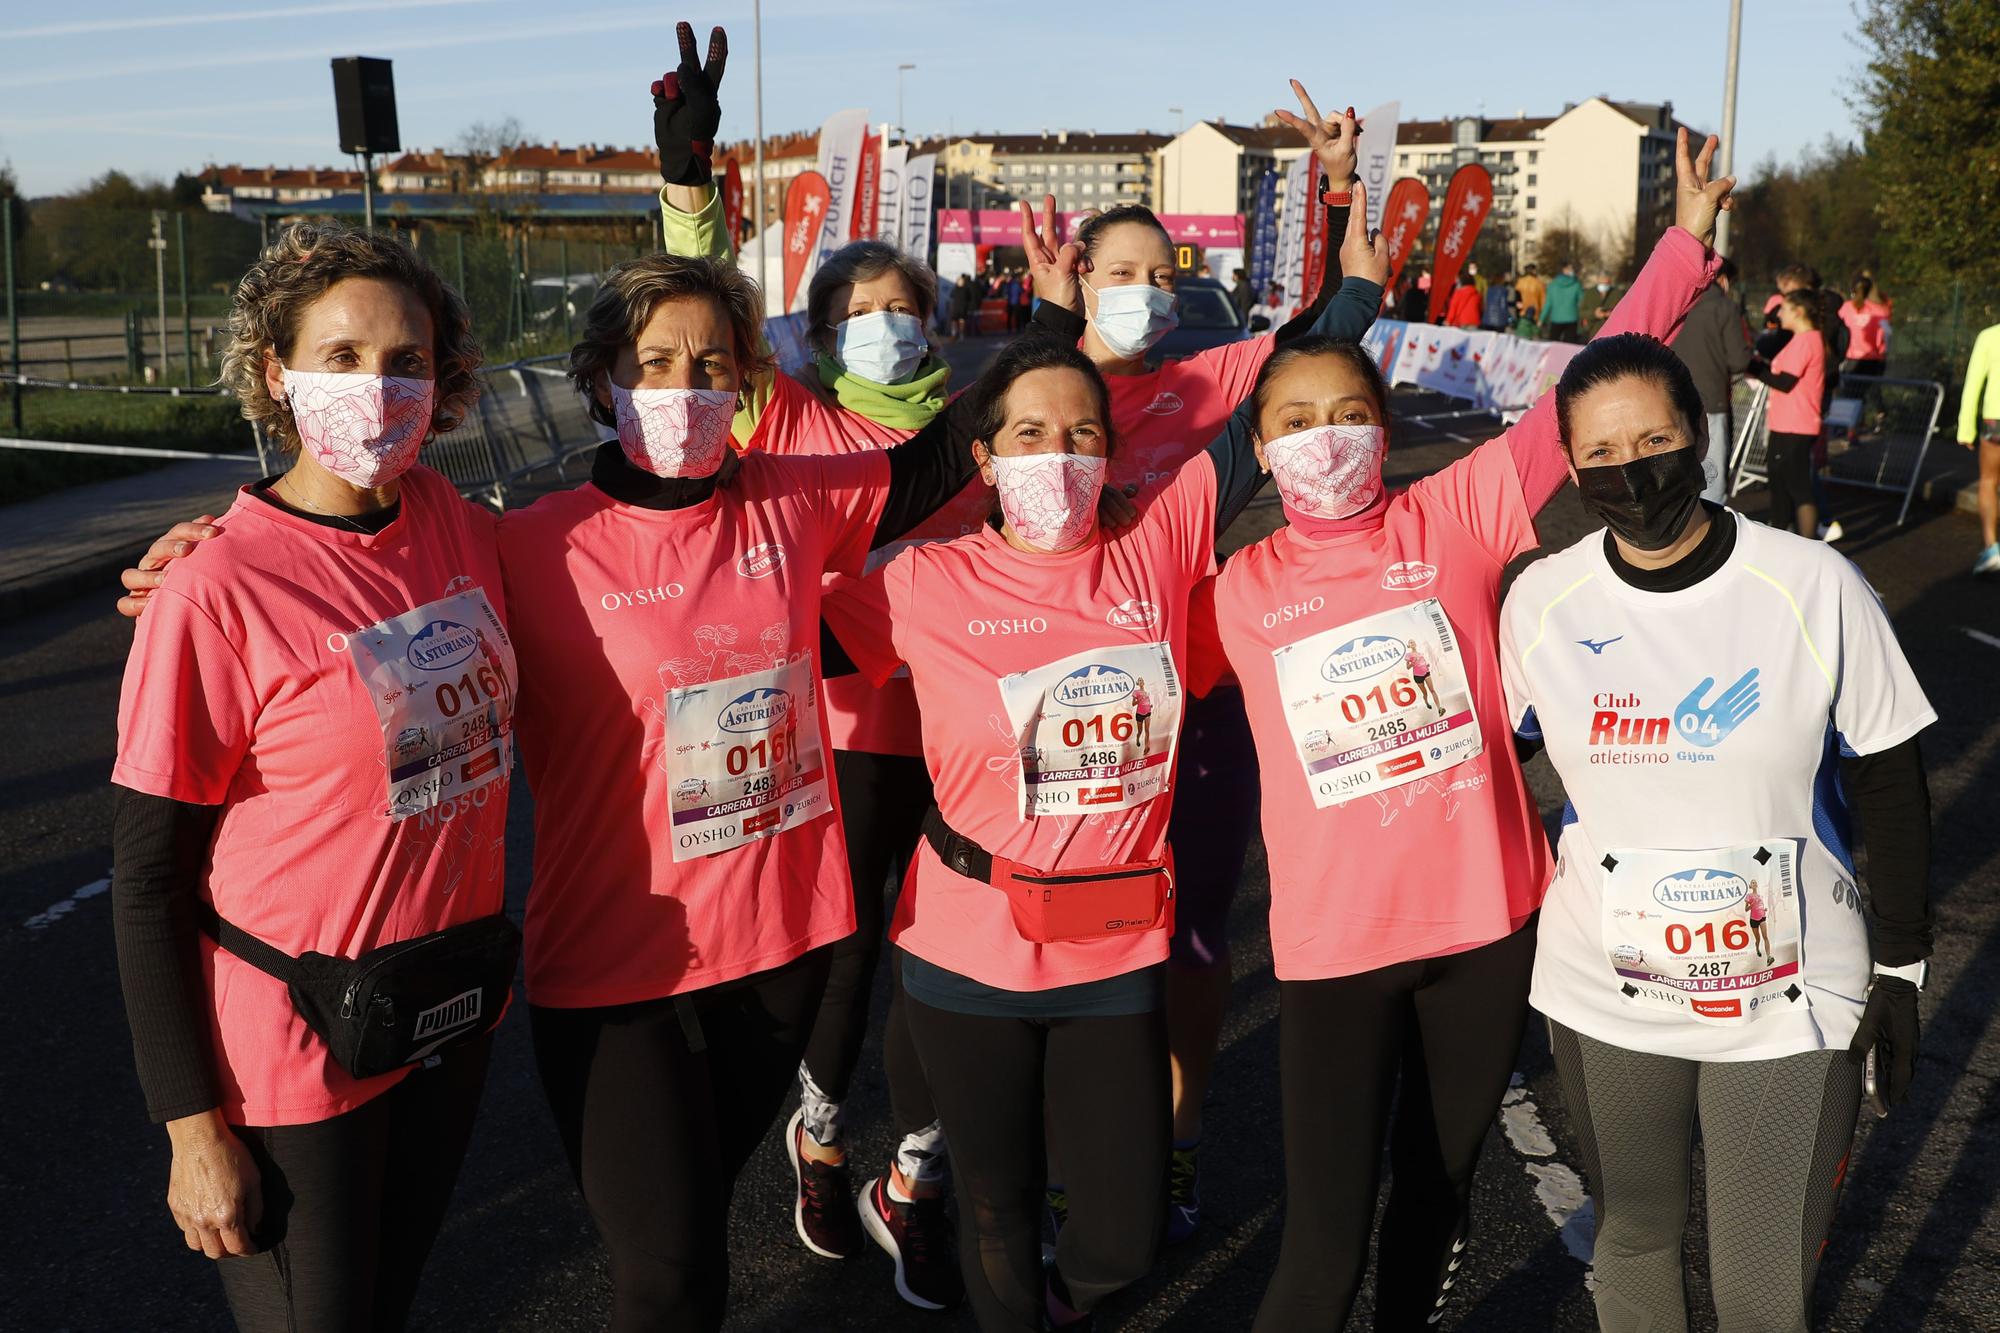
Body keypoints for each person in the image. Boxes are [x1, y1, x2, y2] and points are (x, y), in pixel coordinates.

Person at [1190, 127, 1732, 1331]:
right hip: (1334, 950)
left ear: (1380, 428)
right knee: (1320, 1240)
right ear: (1260, 450)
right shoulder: (1233, 584)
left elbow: (1584, 379)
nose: (1321, 434)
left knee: (1436, 1193)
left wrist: (1684, 242)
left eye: (1345, 411)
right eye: (1291, 419)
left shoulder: (1461, 507)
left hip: (1486, 926)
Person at [820, 189, 1386, 1327]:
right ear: (979, 458)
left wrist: (1346, 241)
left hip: (1110, 945)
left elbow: (1304, 367)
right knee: (994, 1207)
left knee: (1118, 1230)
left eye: (1081, 433)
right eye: (1027, 434)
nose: (1057, 454)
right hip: (965, 944)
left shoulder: (1160, 534)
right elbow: (750, 632)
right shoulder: (921, 584)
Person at [647, 46, 1131, 1301]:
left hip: (982, 734)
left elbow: (1047, 415)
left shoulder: (972, 422)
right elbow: (703, 316)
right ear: (819, 334)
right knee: (850, 953)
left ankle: (911, 1169)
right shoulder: (793, 418)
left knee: (945, 966)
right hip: (850, 730)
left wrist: (1061, 307)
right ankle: (818, 1131)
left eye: (901, 303)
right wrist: (688, 181)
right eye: (859, 308)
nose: (885, 321)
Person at [110, 223, 512, 1331]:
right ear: (275, 372)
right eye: (340, 357)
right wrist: (191, 1129)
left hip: (440, 1008)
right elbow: (146, 884)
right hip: (293, 1053)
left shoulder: (454, 525)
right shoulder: (212, 591)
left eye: (405, 361)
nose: (375, 389)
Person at [1499, 326, 1935, 1333]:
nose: (1628, 472)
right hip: (1604, 989)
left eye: (1649, 442)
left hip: (1785, 993)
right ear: (1568, 468)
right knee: (1635, 1238)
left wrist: (1902, 968)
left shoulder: (1811, 585)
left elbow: (1888, 779)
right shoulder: (1540, 601)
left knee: (1757, 1291)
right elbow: (1483, 760)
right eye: (1599, 455)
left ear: (1695, 437)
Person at [1013, 83, 1386, 1246]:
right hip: (1067, 708)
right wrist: (1037, 317)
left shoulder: (1216, 376)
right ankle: (1069, 1159)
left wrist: (1336, 184)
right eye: (1123, 271)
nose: (1147, 291)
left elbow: (1344, 316)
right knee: (1068, 940)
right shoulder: (1032, 391)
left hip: (1206, 698)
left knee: (1194, 940)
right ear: (1077, 276)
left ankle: (1171, 1145)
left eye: (1163, 274)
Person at [1668, 254, 1753, 503]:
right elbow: (1739, 360)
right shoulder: (1724, 307)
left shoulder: (1678, 301)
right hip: (1711, 397)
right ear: (1723, 279)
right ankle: (1709, 530)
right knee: (1711, 471)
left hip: (1672, 397)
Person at [1747, 290, 1827, 536]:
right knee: (1778, 481)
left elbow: (1785, 382)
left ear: (1799, 311)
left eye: (1784, 308)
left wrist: (1752, 366)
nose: (1779, 313)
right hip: (1783, 422)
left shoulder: (1808, 339)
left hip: (1799, 424)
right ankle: (1782, 534)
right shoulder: (1797, 339)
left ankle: (1809, 543)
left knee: (1797, 485)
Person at [1959, 320, 2000, 575]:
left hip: (1994, 419)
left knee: (1988, 481)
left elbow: (1973, 384)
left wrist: (1966, 428)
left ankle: (1992, 548)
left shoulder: (1989, 336)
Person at [1838, 274, 1893, 379]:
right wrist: (1884, 352)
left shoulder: (1846, 307)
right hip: (1874, 359)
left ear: (1852, 289)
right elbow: (1887, 332)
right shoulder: (1880, 310)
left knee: (1850, 393)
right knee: (1872, 391)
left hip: (1851, 358)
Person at [1541, 260, 1585, 341]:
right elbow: (1582, 302)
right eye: (1570, 268)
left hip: (1556, 318)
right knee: (1569, 346)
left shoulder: (1552, 285)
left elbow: (1548, 303)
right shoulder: (1577, 284)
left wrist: (1541, 319)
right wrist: (1583, 317)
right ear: (1564, 270)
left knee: (1553, 344)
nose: (1572, 270)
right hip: (1572, 318)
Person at [1744, 878, 1772, 964]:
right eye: (1752, 883)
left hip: (1762, 917)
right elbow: (1746, 909)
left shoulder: (1760, 896)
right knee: (1758, 939)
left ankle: (1769, 957)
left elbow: (1760, 905)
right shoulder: (1749, 896)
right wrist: (1751, 905)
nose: (1754, 883)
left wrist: (1764, 909)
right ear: (1751, 886)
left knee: (1765, 937)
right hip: (1753, 920)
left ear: (1757, 885)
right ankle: (1757, 948)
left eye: (1755, 882)